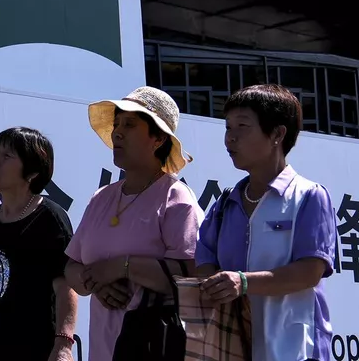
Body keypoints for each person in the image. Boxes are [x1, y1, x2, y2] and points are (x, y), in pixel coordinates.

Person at [192, 84, 336, 361]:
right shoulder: (224, 204)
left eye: (242, 126)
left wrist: (243, 282)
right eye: (228, 127)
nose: (229, 139)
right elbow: (204, 261)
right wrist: (214, 284)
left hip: (296, 350)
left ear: (277, 134)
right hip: (231, 348)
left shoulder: (309, 196)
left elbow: (310, 272)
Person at [64, 86, 202, 361]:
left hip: (156, 350)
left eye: (130, 124)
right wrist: (97, 282)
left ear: (159, 139)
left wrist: (122, 267)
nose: (117, 132)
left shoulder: (176, 197)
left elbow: (192, 276)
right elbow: (71, 268)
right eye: (116, 124)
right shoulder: (102, 198)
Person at [0, 127, 77, 361]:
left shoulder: (50, 218)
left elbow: (65, 287)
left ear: (33, 171)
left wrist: (64, 346)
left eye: (7, 155)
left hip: (34, 350)